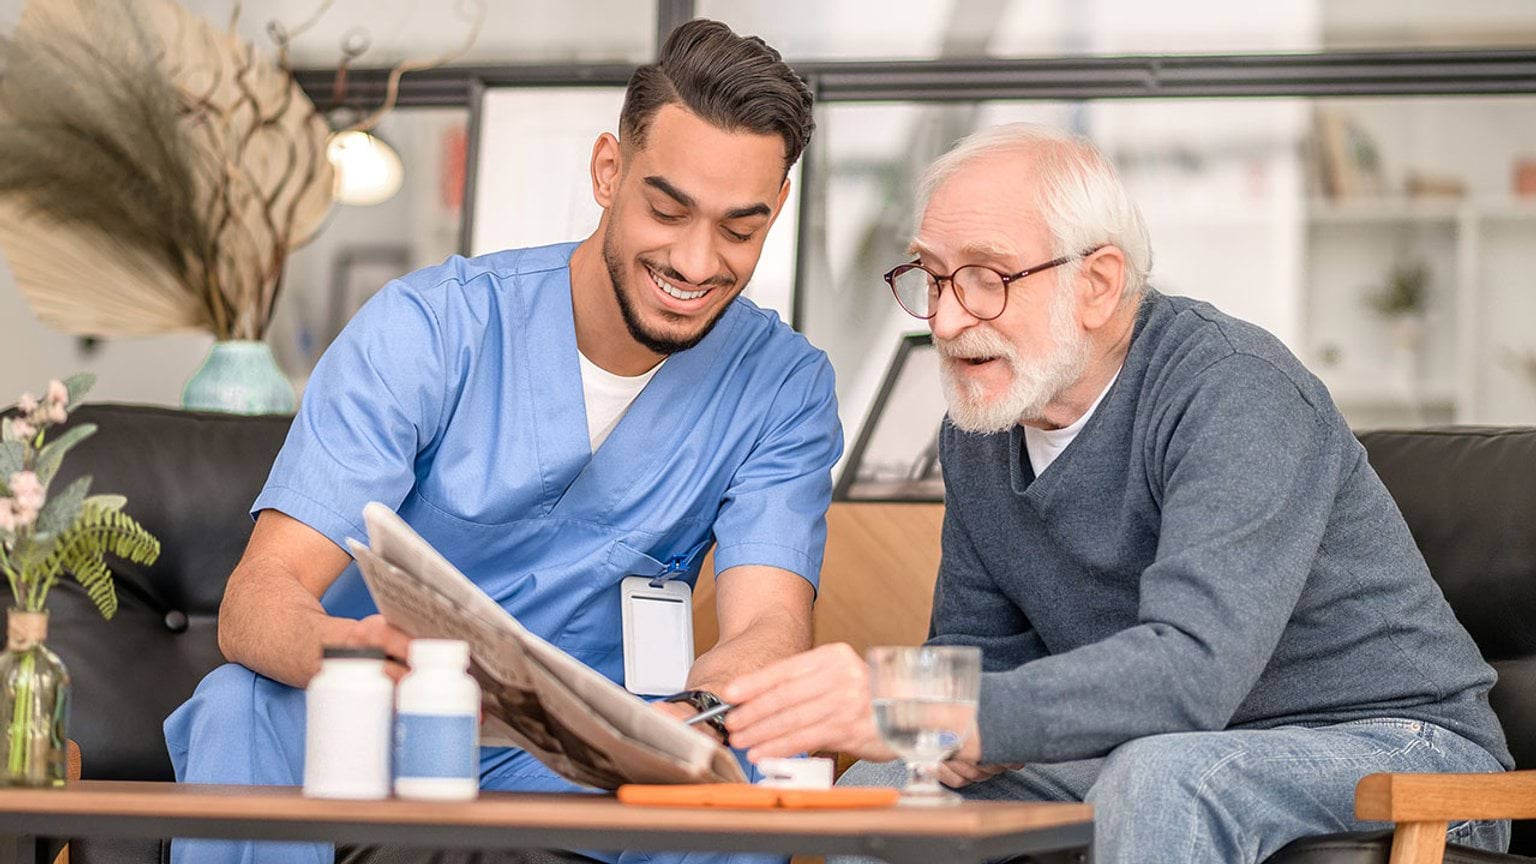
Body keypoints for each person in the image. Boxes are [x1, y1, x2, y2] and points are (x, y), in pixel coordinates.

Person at [719, 123, 1512, 864]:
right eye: (931, 278)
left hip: (1398, 748)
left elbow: (1190, 674)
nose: (950, 321)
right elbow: (981, 664)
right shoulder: (978, 432)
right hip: (1159, 744)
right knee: (880, 794)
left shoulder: (1235, 392)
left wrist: (921, 708)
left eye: (986, 278)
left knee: (1162, 777)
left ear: (1098, 284)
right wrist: (916, 731)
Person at [164, 20, 839, 864]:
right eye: (668, 209)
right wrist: (347, 653)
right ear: (608, 170)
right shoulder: (431, 331)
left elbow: (770, 625)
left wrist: (691, 714)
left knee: (749, 763)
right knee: (238, 701)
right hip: (380, 728)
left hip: (581, 766)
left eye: (739, 229)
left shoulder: (781, 387)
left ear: (776, 211)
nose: (697, 261)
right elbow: (259, 598)